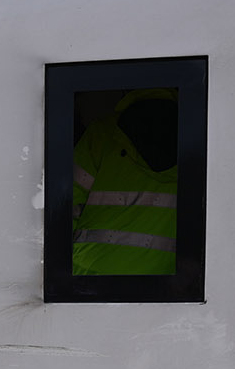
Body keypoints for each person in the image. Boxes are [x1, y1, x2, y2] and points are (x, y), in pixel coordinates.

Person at [72, 89, 179, 276]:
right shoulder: (199, 137)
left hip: (89, 274)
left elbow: (64, 204)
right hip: (160, 280)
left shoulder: (102, 133)